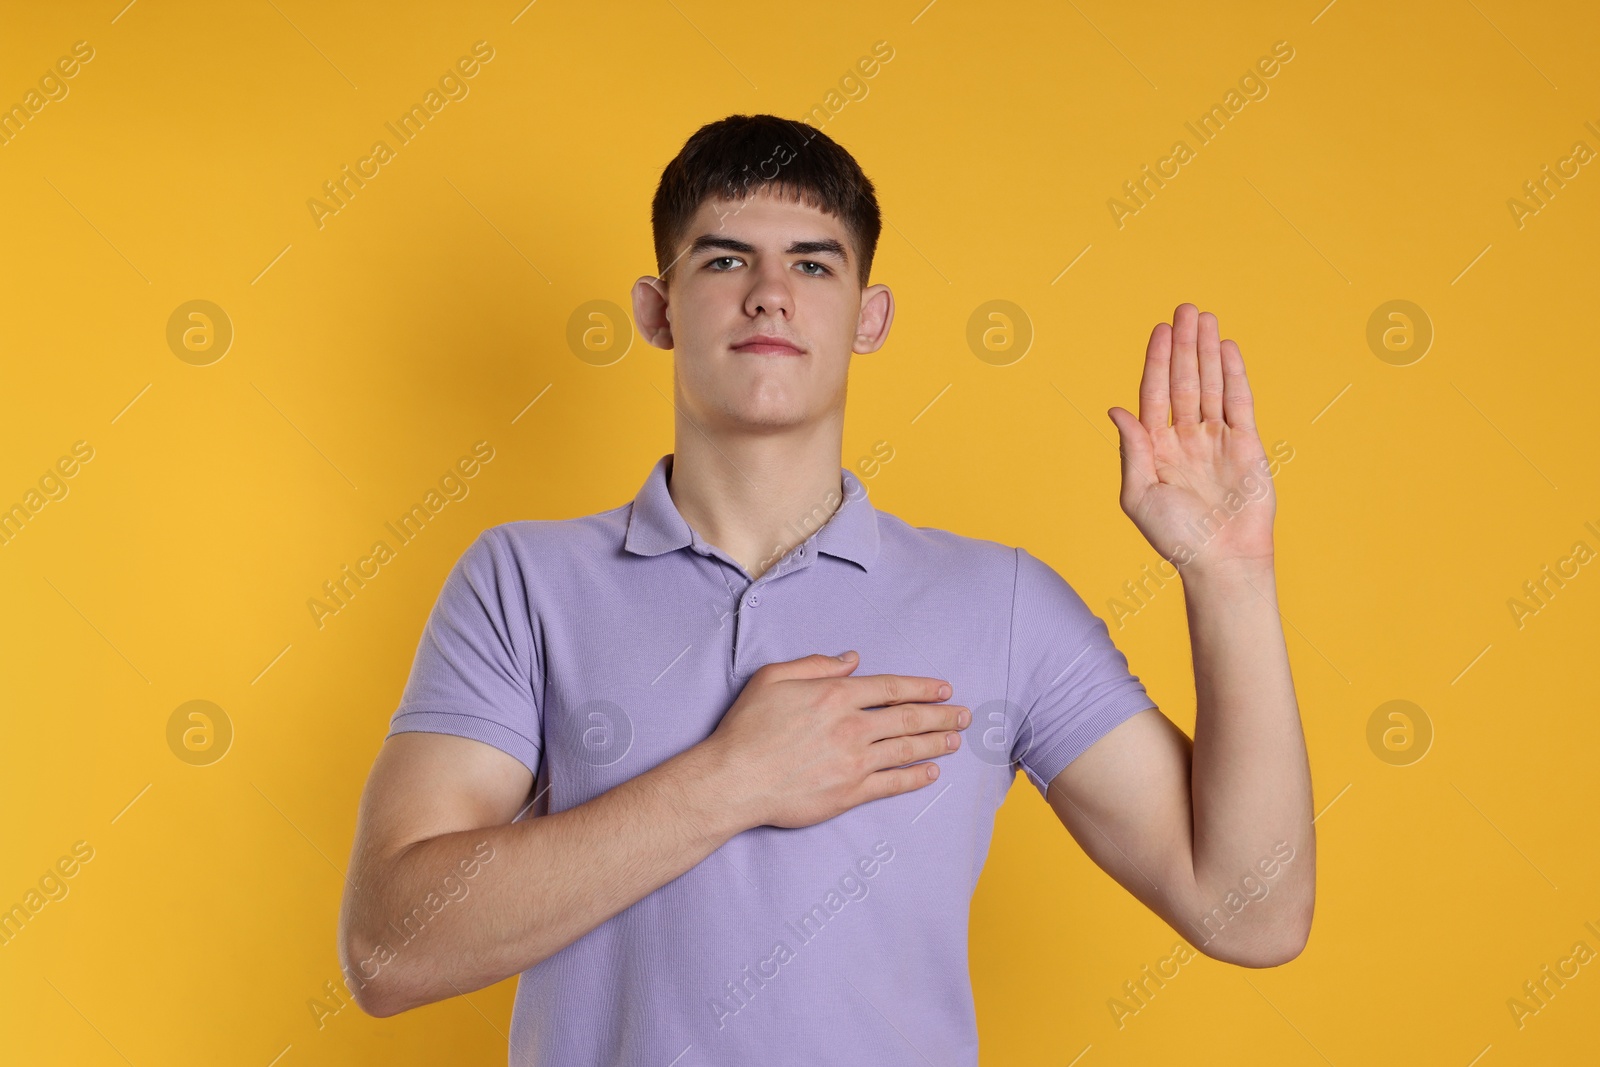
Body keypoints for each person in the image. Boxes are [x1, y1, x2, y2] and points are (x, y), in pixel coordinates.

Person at [337, 113, 1313, 1065]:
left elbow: (1253, 910)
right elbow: (387, 947)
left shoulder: (1000, 601)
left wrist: (1228, 578)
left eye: (812, 263)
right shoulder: (522, 579)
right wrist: (733, 780)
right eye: (724, 259)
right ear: (656, 307)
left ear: (868, 315)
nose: (769, 294)